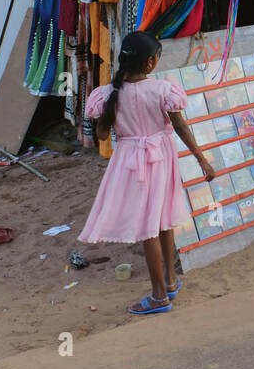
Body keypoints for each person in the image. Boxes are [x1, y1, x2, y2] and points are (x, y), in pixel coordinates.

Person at [81, 31, 215, 315]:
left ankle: (159, 294)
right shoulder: (163, 90)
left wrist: (108, 117)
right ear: (151, 63)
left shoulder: (108, 95)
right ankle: (167, 282)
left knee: (147, 227)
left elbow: (102, 134)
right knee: (162, 219)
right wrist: (202, 159)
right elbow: (180, 127)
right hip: (162, 157)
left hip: (132, 161)